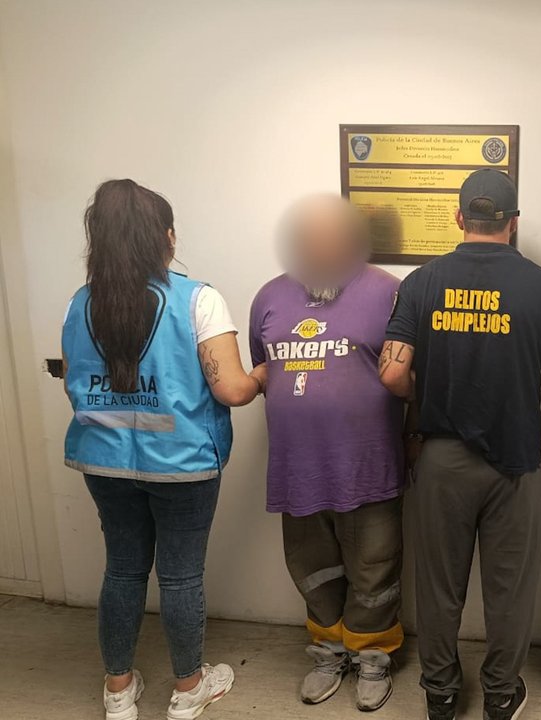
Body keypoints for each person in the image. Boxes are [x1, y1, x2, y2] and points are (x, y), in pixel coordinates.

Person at [61, 179, 266, 720]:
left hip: (103, 460)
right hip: (182, 464)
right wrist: (263, 375)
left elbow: (75, 386)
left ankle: (118, 691)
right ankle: (189, 689)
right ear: (167, 238)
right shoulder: (198, 300)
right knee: (180, 576)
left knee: (122, 570)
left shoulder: (79, 303)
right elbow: (232, 390)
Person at [380, 169, 541, 720]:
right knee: (510, 590)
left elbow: (392, 375)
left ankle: (441, 695)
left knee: (439, 587)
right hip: (516, 461)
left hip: (441, 461)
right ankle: (500, 694)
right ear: (514, 222)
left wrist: (429, 392)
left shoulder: (421, 283)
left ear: (459, 218)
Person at [249, 195, 405, 712]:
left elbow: (413, 375)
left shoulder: (389, 292)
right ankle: (328, 652)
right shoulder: (268, 298)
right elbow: (264, 368)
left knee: (375, 568)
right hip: (298, 469)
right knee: (311, 568)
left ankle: (374, 656)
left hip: (370, 467)